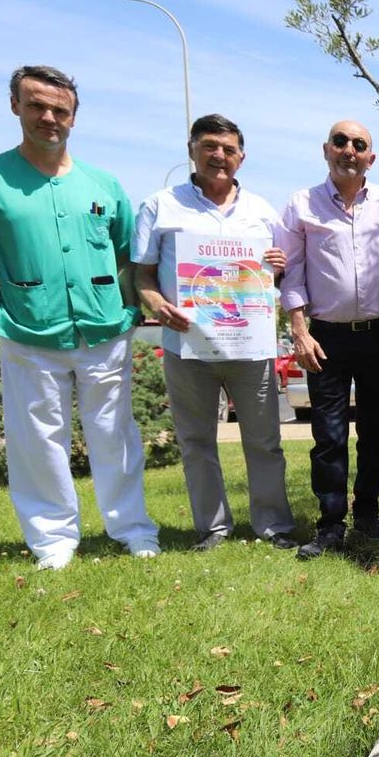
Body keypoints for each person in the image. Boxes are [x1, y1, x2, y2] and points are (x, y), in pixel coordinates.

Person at [0, 65, 160, 570]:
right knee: (37, 436)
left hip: (105, 328)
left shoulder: (103, 183)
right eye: (36, 105)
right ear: (15, 106)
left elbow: (127, 257)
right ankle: (53, 540)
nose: (48, 117)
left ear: (74, 117)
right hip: (29, 330)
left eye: (59, 110)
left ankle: (132, 528)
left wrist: (129, 310)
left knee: (115, 432)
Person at [132, 114, 296, 551]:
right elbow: (142, 274)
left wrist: (277, 270)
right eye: (209, 146)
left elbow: (275, 279)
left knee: (264, 441)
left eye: (228, 149)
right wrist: (156, 304)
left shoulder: (263, 211)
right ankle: (214, 529)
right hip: (189, 347)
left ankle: (273, 525)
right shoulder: (161, 205)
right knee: (197, 442)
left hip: (252, 346)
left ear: (241, 157)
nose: (218, 156)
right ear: (192, 150)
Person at [277, 121, 379, 560]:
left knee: (376, 431)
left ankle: (367, 512)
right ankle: (331, 523)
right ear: (325, 149)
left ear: (371, 157)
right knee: (328, 434)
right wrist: (298, 329)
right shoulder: (301, 204)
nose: (348, 150)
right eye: (340, 142)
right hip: (325, 338)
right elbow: (291, 272)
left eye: (359, 144)